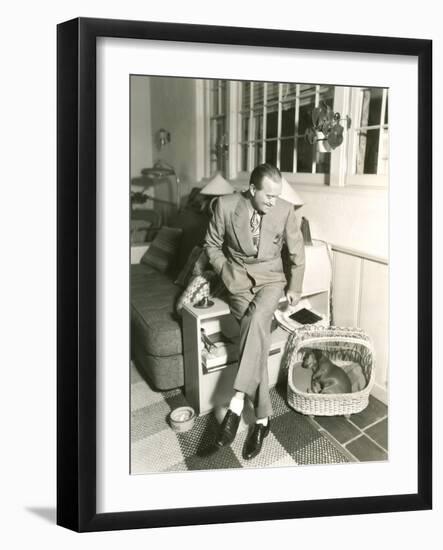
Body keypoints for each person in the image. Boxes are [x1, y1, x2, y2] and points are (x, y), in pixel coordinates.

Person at [203, 163, 305, 459]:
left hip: (271, 281)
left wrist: (295, 287)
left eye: (277, 195)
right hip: (237, 283)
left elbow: (297, 251)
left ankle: (235, 405)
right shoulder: (224, 206)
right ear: (252, 190)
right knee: (256, 335)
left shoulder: (285, 210)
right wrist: (225, 272)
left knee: (257, 319)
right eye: (268, 196)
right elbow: (211, 245)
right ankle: (262, 420)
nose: (274, 201)